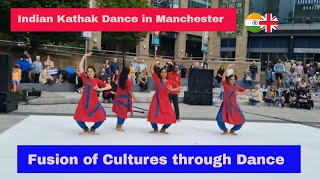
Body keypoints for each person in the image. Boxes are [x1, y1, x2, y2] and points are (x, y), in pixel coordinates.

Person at [73, 52, 110, 135]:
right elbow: (80, 67)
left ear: (94, 72)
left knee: (102, 117)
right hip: (84, 102)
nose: (89, 73)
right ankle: (85, 129)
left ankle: (93, 128)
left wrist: (100, 89)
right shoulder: (85, 79)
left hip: (94, 102)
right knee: (78, 118)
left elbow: (109, 86)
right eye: (88, 71)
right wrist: (85, 56)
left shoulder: (97, 80)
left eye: (91, 71)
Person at [148, 59, 180, 134]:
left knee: (172, 116)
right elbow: (151, 69)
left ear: (167, 74)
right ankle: (155, 128)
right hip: (156, 99)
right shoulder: (157, 79)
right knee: (152, 114)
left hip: (165, 100)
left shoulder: (169, 82)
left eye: (165, 72)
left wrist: (172, 89)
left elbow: (179, 87)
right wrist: (154, 61)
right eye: (162, 72)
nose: (164, 73)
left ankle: (163, 129)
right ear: (160, 73)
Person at [216, 64, 248, 135]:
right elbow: (223, 76)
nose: (233, 81)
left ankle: (233, 130)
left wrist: (239, 93)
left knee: (242, 120)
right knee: (219, 119)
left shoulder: (236, 87)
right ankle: (224, 130)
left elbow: (246, 90)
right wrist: (228, 67)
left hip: (234, 106)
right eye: (231, 79)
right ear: (228, 80)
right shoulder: (226, 86)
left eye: (234, 79)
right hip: (225, 106)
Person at [112, 67, 136, 132]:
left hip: (118, 96)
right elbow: (130, 91)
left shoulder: (119, 76)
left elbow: (116, 82)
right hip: (124, 98)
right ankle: (119, 125)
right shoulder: (128, 81)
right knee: (123, 113)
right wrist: (134, 98)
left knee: (119, 111)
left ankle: (118, 124)